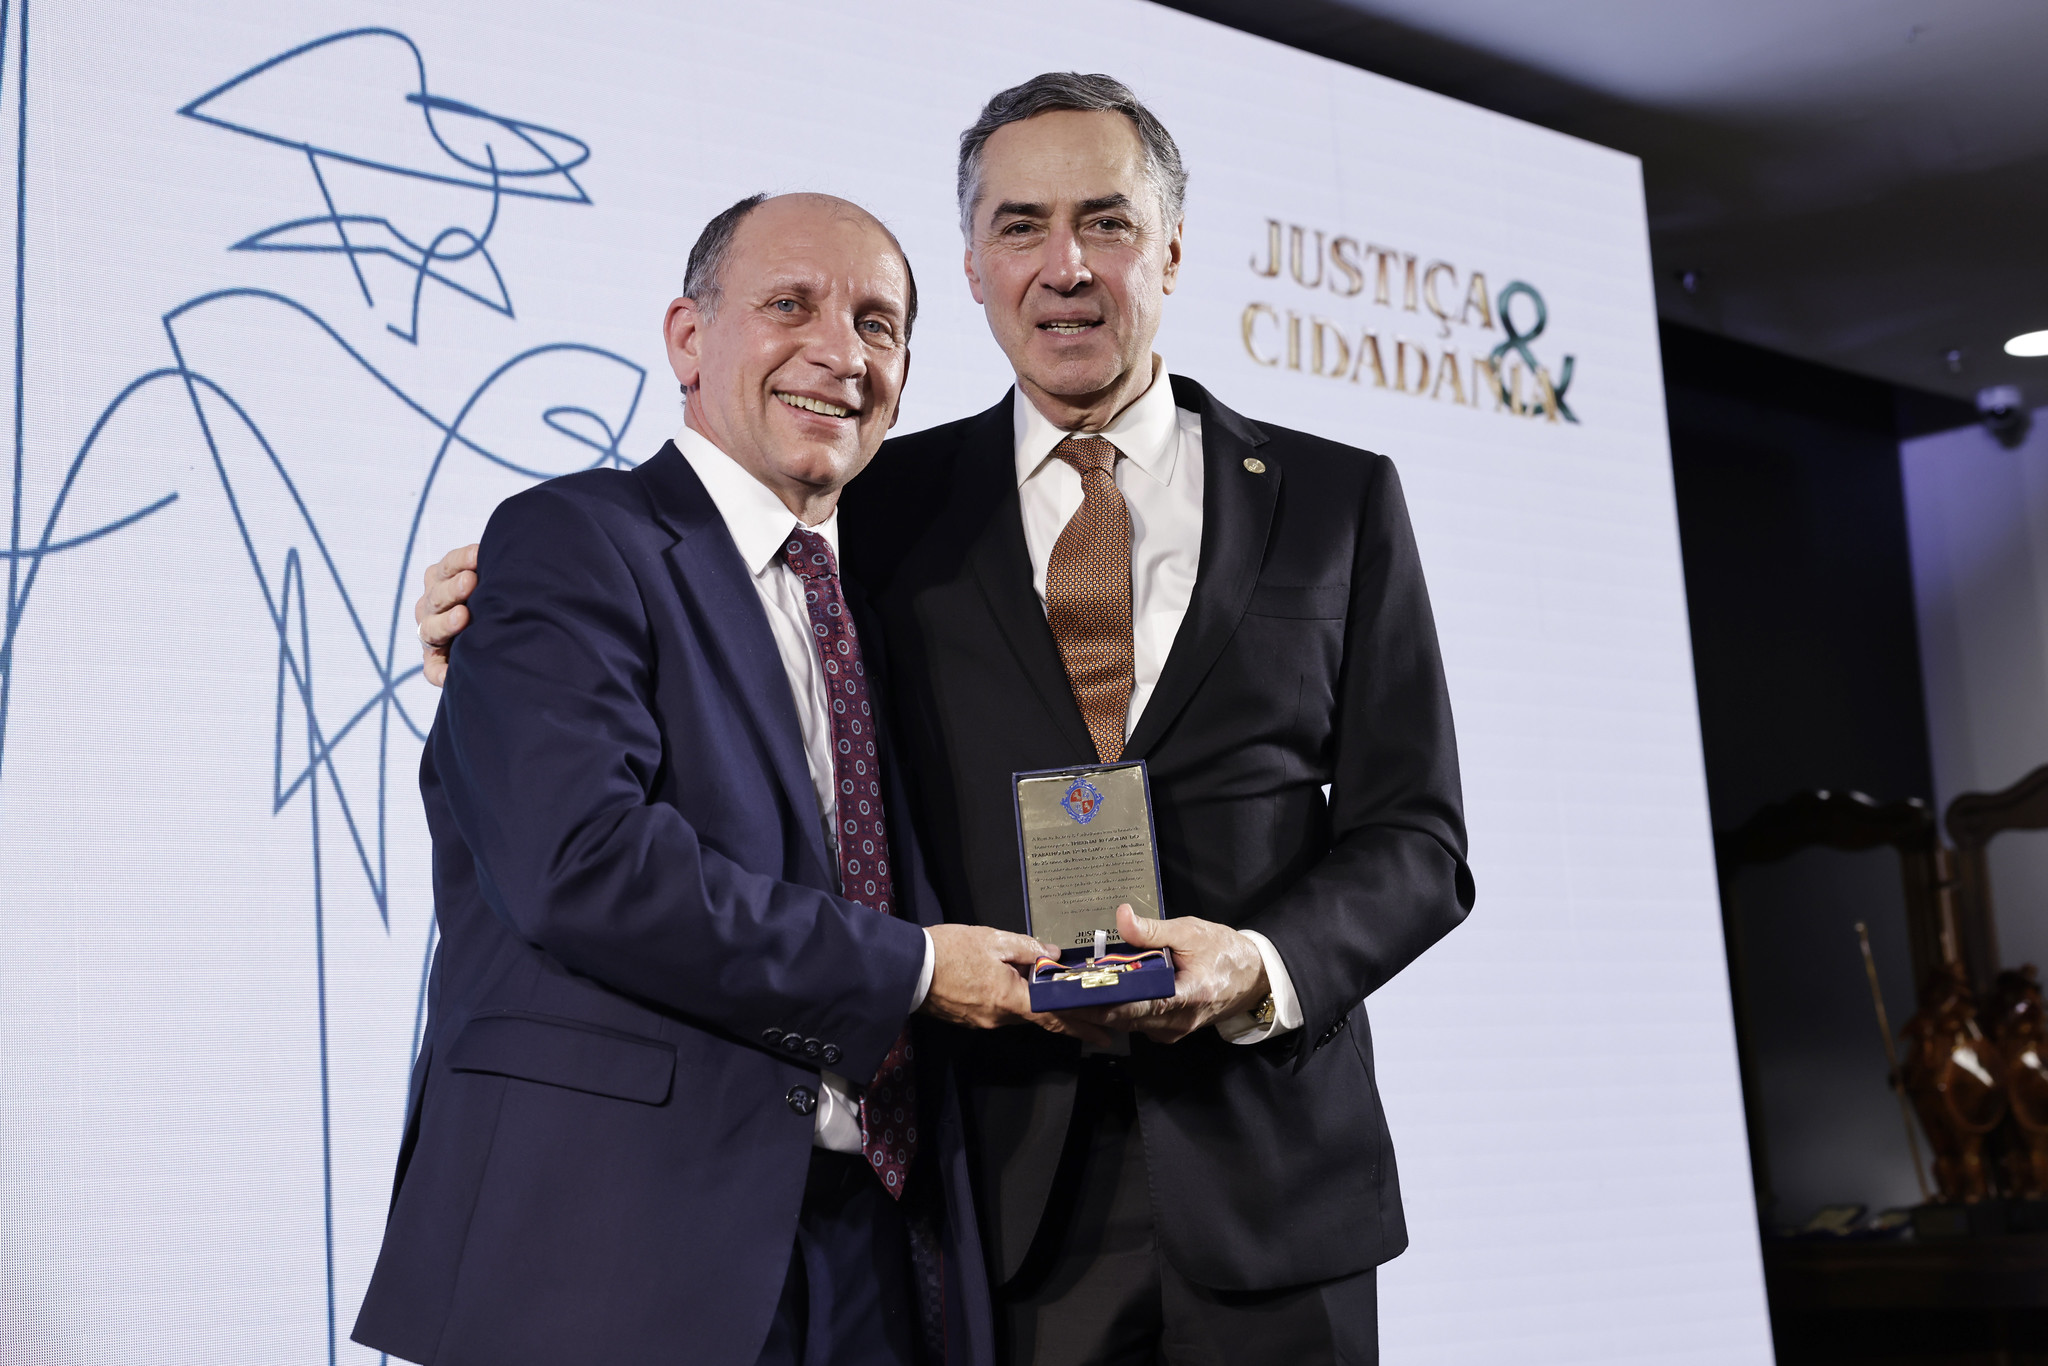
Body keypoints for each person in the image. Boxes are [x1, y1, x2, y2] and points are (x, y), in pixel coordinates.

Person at [416, 75, 1473, 1366]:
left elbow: (1418, 836)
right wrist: (496, 630)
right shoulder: (880, 498)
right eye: (1022, 226)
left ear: (1175, 250)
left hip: (1273, 1180)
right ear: (975, 267)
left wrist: (1255, 967)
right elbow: (695, 622)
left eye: (1109, 222)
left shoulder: (1336, 501)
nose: (1067, 265)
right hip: (997, 1192)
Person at [353, 192, 1057, 1366]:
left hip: (874, 1259)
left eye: (879, 326)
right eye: (791, 305)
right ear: (687, 337)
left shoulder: (878, 613)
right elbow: (582, 866)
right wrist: (921, 967)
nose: (841, 351)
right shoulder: (568, 541)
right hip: (610, 1254)